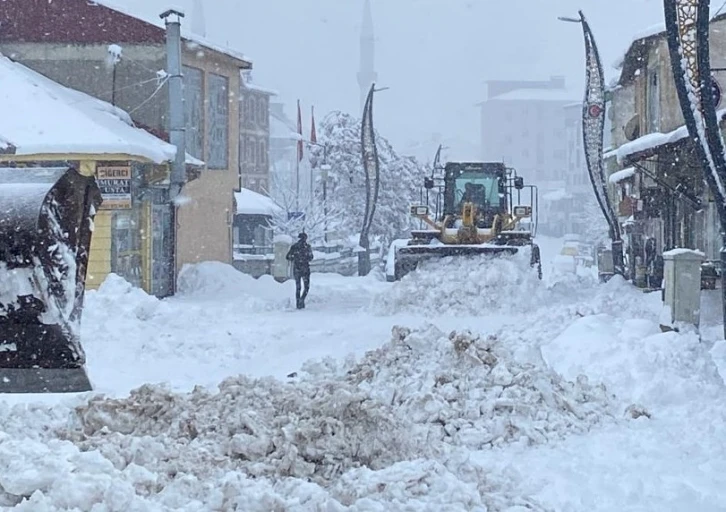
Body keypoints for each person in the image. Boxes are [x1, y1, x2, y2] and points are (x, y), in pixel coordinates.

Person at [286, 232, 314, 309]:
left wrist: (295, 258)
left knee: (298, 287)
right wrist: (305, 258)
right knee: (306, 287)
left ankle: (298, 303)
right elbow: (311, 257)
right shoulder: (307, 247)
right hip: (305, 269)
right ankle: (302, 299)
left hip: (297, 269)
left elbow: (288, 257)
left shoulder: (294, 247)